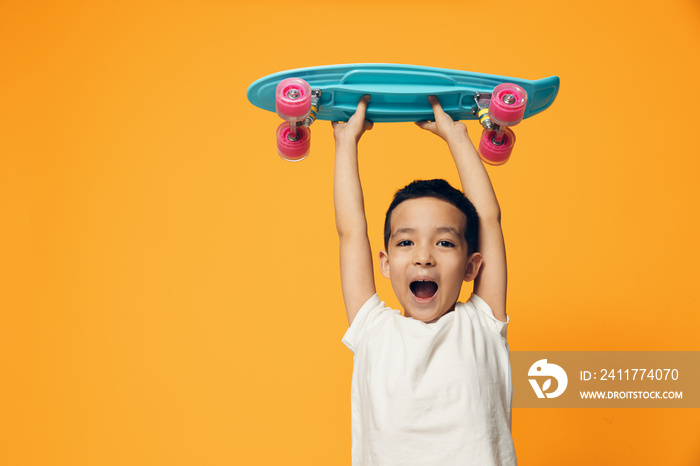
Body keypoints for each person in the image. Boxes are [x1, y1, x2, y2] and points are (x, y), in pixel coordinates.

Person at [332, 94, 517, 465]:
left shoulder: (481, 323)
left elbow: (489, 219)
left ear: (471, 266)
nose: (423, 256)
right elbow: (351, 231)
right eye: (406, 242)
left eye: (445, 242)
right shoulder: (372, 329)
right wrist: (346, 142)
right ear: (384, 263)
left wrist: (457, 137)